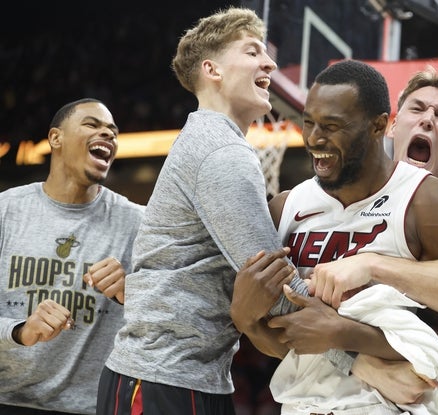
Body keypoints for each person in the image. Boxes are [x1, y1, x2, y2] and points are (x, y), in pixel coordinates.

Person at [95, 7, 321, 415]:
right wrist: (369, 338)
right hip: (163, 378)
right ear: (212, 69)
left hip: (178, 374)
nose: (270, 63)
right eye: (252, 52)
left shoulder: (208, 139)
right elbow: (277, 288)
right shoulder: (221, 152)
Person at [231, 60, 438, 414]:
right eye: (309, 123)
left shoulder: (433, 203)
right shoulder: (285, 208)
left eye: (332, 126)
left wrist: (342, 333)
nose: (315, 138)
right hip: (303, 406)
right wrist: (247, 322)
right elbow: (291, 338)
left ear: (378, 126)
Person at [306, 66, 438, 415]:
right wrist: (356, 361)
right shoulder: (346, 202)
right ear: (392, 126)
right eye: (417, 109)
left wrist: (372, 265)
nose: (427, 120)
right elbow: (302, 310)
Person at [0, 98, 145, 414]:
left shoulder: (138, 224)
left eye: (113, 131)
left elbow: (169, 317)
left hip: (93, 406)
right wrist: (20, 331)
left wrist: (132, 293)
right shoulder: (5, 211)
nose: (108, 134)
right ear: (56, 138)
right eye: (92, 124)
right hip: (7, 399)